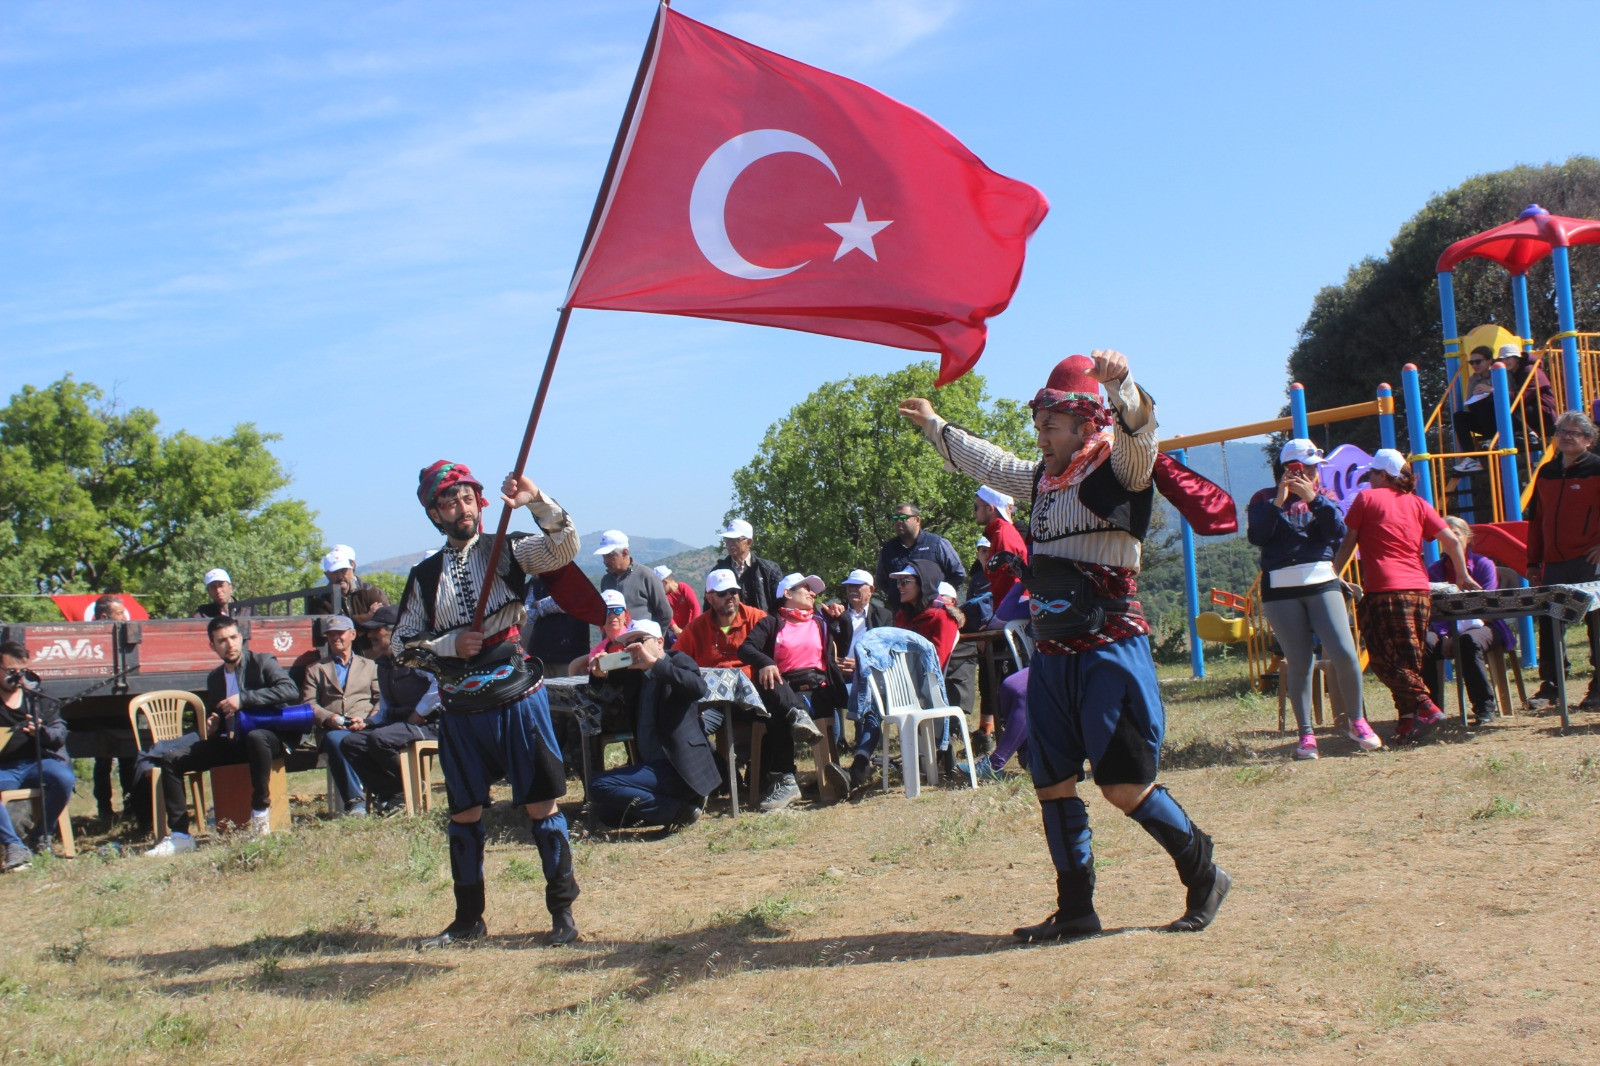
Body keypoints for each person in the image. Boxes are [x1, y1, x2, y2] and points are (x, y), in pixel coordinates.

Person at [898, 349, 1231, 939]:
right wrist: (933, 425)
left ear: (1084, 422)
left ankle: (1204, 873)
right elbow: (992, 462)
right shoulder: (1042, 479)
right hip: (1054, 653)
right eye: (1039, 424)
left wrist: (1121, 384)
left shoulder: (1121, 467)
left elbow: (1141, 435)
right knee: (1050, 780)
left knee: (1123, 785)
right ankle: (1077, 909)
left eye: (1050, 424)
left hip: (1109, 647)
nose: (1041, 436)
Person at [392, 460, 581, 948]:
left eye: (467, 497)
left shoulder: (510, 549)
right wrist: (449, 645)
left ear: (479, 501)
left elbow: (565, 546)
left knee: (542, 804)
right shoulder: (424, 576)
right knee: (464, 813)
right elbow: (401, 646)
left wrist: (536, 500)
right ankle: (467, 920)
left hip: (517, 695)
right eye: (449, 502)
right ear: (435, 513)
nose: (462, 508)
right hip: (460, 708)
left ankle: (563, 913)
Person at [1332, 448, 1478, 744]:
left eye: (1372, 474)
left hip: (1384, 590)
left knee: (1383, 659)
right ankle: (1407, 722)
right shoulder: (1419, 503)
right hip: (1419, 591)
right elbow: (1452, 539)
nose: (1369, 479)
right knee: (1409, 659)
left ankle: (1426, 706)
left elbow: (1348, 543)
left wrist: (1333, 573)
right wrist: (1462, 575)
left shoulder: (1366, 499)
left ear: (1383, 475)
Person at [1246, 438, 1379, 758]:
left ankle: (1357, 721)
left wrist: (1313, 499)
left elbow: (1338, 533)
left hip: (1322, 581)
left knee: (1344, 652)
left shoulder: (1325, 496)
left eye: (1313, 468)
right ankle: (1306, 734)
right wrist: (1278, 502)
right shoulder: (1263, 498)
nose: (1311, 473)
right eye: (1304, 468)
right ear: (1286, 468)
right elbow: (1258, 536)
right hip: (1280, 588)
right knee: (1300, 660)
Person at [138, 616, 301, 854]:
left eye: (233, 637)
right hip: (235, 741)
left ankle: (260, 818)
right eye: (222, 640)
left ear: (241, 638)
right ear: (212, 646)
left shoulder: (262, 662)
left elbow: (289, 690)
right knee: (171, 759)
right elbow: (221, 716)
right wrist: (215, 723)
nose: (230, 644)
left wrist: (243, 699)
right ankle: (181, 836)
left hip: (271, 737)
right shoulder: (215, 678)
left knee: (256, 737)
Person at [586, 620, 722, 831]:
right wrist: (598, 675)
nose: (633, 649)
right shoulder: (633, 673)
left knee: (598, 785)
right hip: (652, 768)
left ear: (659, 642)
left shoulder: (677, 661)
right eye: (628, 645)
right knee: (606, 813)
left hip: (679, 768)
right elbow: (603, 694)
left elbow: (698, 688)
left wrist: (655, 665)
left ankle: (679, 811)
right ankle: (677, 807)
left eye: (639, 642)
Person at [739, 573, 843, 811]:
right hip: (783, 686)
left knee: (776, 711)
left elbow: (844, 639)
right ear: (787, 593)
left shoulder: (820, 621)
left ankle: (786, 780)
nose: (812, 593)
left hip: (817, 691)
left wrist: (842, 618)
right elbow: (745, 649)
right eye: (805, 588)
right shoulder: (771, 623)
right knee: (771, 680)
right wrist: (766, 662)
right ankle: (797, 715)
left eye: (812, 590)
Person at [1524, 411, 1600, 711]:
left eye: (1574, 432)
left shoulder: (1597, 468)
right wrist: (1533, 561)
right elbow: (1536, 520)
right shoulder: (1546, 472)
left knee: (1597, 623)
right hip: (1554, 563)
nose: (1566, 436)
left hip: (1589, 560)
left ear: (1589, 440)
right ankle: (1552, 685)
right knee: (1551, 621)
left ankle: (1598, 688)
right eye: (1561, 431)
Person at [339, 605, 437, 812]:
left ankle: (409, 789)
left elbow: (441, 685)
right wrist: (367, 722)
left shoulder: (417, 656)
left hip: (429, 724)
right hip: (397, 725)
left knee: (380, 739)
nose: (370, 635)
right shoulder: (383, 665)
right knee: (351, 742)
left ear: (394, 631)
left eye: (377, 629)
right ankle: (394, 793)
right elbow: (385, 709)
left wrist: (419, 712)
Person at [1424, 516, 1512, 726]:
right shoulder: (1434, 570)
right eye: (1445, 535)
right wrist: (1445, 634)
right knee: (1424, 642)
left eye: (1455, 534)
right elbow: (1433, 608)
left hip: (1484, 624)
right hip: (1445, 627)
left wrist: (1456, 633)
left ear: (1468, 538)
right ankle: (1430, 709)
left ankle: (1484, 708)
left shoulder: (1483, 565)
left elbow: (1486, 605)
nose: (1450, 539)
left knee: (1467, 642)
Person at [0, 642, 75, 872]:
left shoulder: (38, 698)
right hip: (4, 768)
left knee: (64, 778)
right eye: (10, 671)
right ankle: (13, 846)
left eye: (22, 671)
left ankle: (41, 836)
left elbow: (59, 734)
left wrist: (42, 732)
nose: (17, 677)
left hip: (38, 762)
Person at [300, 615, 381, 816]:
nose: (336, 638)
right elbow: (308, 703)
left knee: (383, 740)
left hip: (365, 725)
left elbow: (380, 699)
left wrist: (368, 721)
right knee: (338, 742)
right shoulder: (316, 669)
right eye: (331, 634)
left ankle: (387, 795)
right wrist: (328, 717)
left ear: (352, 635)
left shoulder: (370, 666)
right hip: (333, 729)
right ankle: (355, 801)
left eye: (340, 633)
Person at [874, 503, 966, 613]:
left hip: (933, 613)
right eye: (895, 518)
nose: (899, 521)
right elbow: (881, 582)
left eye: (903, 517)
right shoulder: (888, 549)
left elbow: (958, 574)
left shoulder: (937, 543)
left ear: (917, 520)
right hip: (901, 614)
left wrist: (943, 595)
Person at [676, 569, 766, 676]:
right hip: (709, 685)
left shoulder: (757, 618)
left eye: (733, 591)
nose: (729, 596)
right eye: (722, 593)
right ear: (709, 598)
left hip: (752, 683)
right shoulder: (695, 629)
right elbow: (676, 660)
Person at [594, 530, 672, 628]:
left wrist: (654, 636)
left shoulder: (646, 576)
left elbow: (665, 614)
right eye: (604, 556)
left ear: (625, 553)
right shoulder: (606, 581)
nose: (605, 561)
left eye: (610, 556)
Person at [828, 569, 891, 681]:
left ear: (871, 589)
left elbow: (887, 652)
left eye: (857, 586)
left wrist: (861, 663)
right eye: (850, 585)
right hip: (838, 677)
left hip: (869, 677)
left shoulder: (883, 616)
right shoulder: (836, 613)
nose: (852, 589)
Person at [714, 519, 783, 614]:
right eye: (727, 539)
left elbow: (780, 604)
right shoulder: (718, 571)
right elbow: (709, 606)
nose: (729, 543)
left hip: (764, 622)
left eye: (735, 539)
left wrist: (768, 622)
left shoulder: (769, 569)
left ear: (749, 542)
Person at [974, 485, 1028, 606]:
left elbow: (1008, 581)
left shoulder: (1003, 535)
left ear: (990, 509)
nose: (974, 512)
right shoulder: (1000, 532)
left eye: (976, 507)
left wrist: (999, 613)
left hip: (1009, 607)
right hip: (1008, 606)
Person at [1449, 346, 1500, 473]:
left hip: (1502, 419)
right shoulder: (1473, 379)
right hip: (1484, 420)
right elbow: (1469, 403)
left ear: (1489, 361)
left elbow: (1512, 395)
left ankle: (1492, 440)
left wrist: (1491, 390)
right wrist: (1475, 396)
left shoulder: (1500, 372)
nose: (1474, 365)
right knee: (1459, 416)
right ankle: (1471, 458)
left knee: (1485, 403)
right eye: (1471, 362)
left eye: (1478, 362)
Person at [310, 547, 390, 624]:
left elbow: (385, 618)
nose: (340, 576)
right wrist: (368, 616)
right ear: (327, 575)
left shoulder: (368, 591)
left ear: (351, 569)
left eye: (343, 571)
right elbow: (334, 627)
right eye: (335, 572)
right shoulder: (321, 600)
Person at [571, 589, 632, 679]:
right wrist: (597, 673)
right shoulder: (597, 652)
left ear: (626, 616)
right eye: (606, 611)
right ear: (599, 619)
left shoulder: (636, 640)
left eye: (617, 610)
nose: (612, 615)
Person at [655, 566, 701, 639]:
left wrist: (692, 627)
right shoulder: (662, 596)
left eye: (658, 585)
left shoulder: (683, 588)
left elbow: (695, 607)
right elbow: (666, 613)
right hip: (675, 631)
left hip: (691, 627)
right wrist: (675, 629)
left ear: (665, 582)